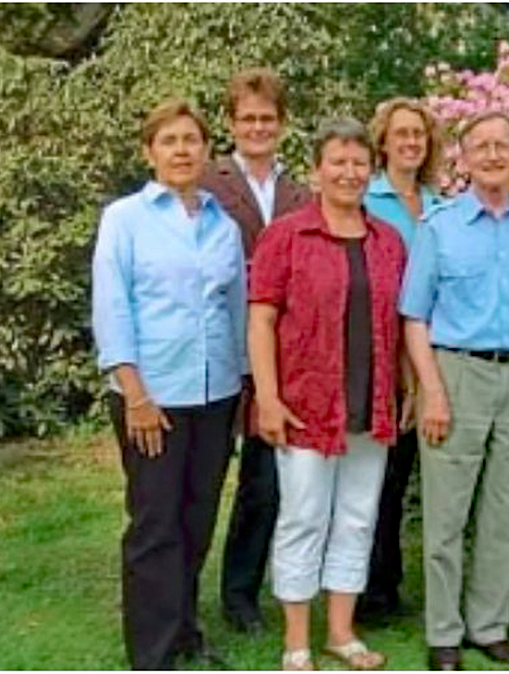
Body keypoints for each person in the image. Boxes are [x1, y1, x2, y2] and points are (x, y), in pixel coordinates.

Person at [92, 99, 247, 670]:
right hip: (152, 396)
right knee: (155, 522)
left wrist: (246, 386)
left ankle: (184, 629)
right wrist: (134, 393)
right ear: (149, 152)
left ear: (207, 152)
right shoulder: (125, 219)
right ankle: (152, 652)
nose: (182, 150)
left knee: (197, 517)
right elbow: (113, 307)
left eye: (191, 140)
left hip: (215, 393)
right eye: (170, 141)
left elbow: (236, 309)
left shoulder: (223, 226)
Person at [248, 118, 405, 671]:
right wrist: (268, 397)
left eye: (359, 163)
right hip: (306, 405)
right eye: (337, 162)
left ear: (371, 171)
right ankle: (296, 642)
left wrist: (404, 387)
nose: (348, 172)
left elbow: (398, 322)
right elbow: (261, 319)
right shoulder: (286, 236)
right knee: (303, 517)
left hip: (370, 405)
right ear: (316, 171)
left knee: (357, 518)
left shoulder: (388, 241)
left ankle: (341, 632)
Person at [400, 110, 509, 671]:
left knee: (505, 510)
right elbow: (414, 316)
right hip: (456, 372)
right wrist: (432, 391)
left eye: (502, 146)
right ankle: (444, 633)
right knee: (447, 512)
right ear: (463, 158)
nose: (492, 155)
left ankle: (489, 626)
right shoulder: (439, 227)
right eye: (481, 146)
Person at [200, 67, 310, 635]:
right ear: (231, 123)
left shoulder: (302, 193)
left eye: (268, 119)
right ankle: (177, 593)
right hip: (218, 346)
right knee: (203, 480)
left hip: (279, 354)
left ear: (282, 124)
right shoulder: (207, 182)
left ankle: (241, 595)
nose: (258, 128)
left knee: (264, 483)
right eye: (248, 119)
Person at [358, 97, 443, 620]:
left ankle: (387, 581)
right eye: (401, 134)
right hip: (377, 355)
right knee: (375, 477)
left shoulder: (440, 204)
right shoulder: (366, 200)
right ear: (383, 143)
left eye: (419, 134)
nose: (411, 142)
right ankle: (368, 588)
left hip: (425, 356)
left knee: (402, 471)